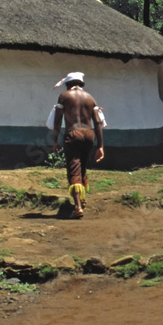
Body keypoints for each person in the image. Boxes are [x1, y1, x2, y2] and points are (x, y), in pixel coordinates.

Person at [48, 72, 105, 219]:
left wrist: (55, 140)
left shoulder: (64, 96)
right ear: (81, 84)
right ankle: (83, 200)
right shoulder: (90, 98)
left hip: (73, 134)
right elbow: (98, 122)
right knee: (83, 166)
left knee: (73, 168)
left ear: (68, 84)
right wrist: (100, 146)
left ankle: (78, 206)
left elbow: (58, 119)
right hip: (89, 135)